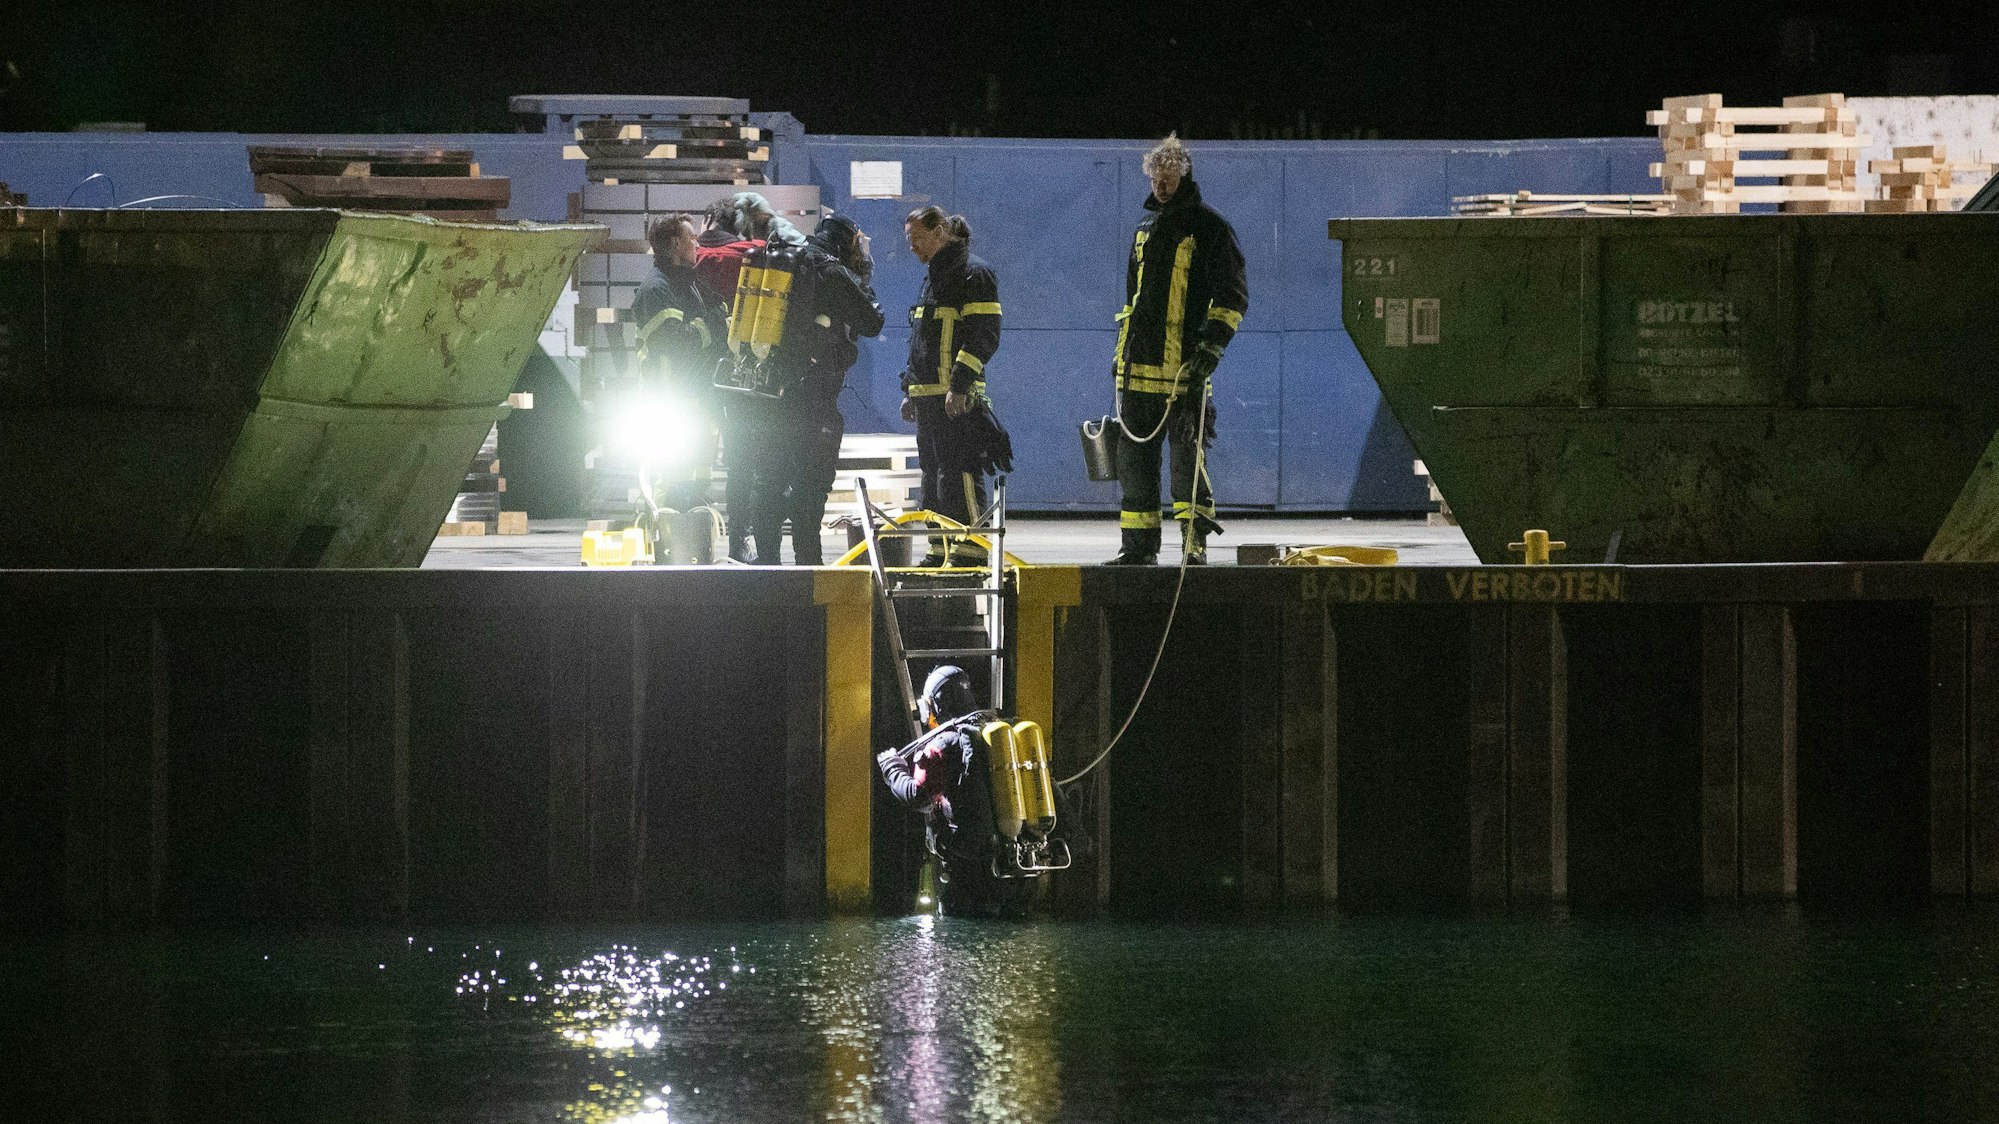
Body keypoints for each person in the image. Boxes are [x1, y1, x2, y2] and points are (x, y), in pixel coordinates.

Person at [1107, 133, 1250, 566]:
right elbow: (1131, 303)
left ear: (1184, 174)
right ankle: (1138, 548)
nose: (1161, 187)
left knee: (1188, 461)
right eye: (1155, 178)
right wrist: (1121, 357)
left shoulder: (1210, 227)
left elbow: (1232, 297)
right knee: (1135, 463)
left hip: (1184, 372)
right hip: (1137, 371)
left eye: (1168, 178)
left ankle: (1194, 544)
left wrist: (1209, 352)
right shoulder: (1144, 229)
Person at [749, 212, 884, 565]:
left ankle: (766, 563)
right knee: (811, 481)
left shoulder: (786, 260)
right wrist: (865, 274)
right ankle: (808, 562)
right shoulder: (831, 272)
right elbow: (871, 321)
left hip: (768, 392)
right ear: (846, 242)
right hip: (813, 396)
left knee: (771, 479)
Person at [902, 206, 1005, 568]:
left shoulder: (973, 273)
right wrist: (909, 390)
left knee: (960, 472)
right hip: (928, 397)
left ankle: (972, 550)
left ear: (940, 230)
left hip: (954, 399)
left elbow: (984, 336)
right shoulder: (933, 276)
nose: (912, 248)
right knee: (934, 478)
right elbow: (922, 339)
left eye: (916, 239)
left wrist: (960, 386)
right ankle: (940, 548)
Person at [876, 665, 1006, 914]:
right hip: (1008, 867)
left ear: (935, 705)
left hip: (968, 869)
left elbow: (918, 796)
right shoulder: (994, 733)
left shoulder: (942, 745)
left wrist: (892, 768)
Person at [628, 214, 728, 511]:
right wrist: (709, 325)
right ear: (674, 244)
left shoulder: (689, 282)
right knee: (670, 481)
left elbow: (718, 317)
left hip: (696, 398)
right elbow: (678, 345)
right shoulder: (655, 290)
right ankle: (665, 545)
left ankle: (694, 544)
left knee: (697, 482)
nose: (696, 243)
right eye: (690, 238)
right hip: (670, 400)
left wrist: (710, 323)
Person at [694, 198, 770, 562]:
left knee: (689, 463)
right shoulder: (752, 254)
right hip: (747, 378)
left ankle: (686, 540)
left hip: (697, 379)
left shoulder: (688, 259)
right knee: (745, 461)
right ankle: (743, 539)